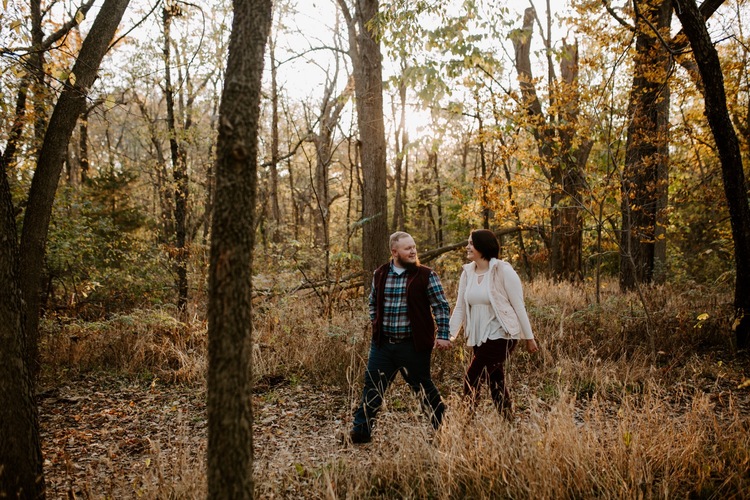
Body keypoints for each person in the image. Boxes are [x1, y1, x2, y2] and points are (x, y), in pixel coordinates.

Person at [350, 231, 452, 444]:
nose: (413, 251)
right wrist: (376, 322)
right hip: (383, 345)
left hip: (413, 346)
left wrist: (443, 334)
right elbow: (372, 302)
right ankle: (361, 432)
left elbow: (441, 306)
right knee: (372, 387)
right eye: (407, 248)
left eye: (414, 247)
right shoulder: (380, 274)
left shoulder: (426, 275)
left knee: (423, 388)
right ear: (394, 252)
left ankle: (443, 429)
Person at [449, 229, 538, 417]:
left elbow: (518, 306)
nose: (467, 247)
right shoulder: (468, 273)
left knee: (472, 378)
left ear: (483, 246)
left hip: (503, 335)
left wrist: (529, 338)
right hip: (479, 336)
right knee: (495, 380)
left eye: (471, 243)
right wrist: (448, 335)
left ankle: (465, 421)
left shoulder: (503, 271)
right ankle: (508, 423)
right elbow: (459, 308)